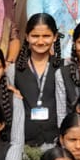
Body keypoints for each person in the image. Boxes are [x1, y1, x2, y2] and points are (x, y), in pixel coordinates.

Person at [12, 13, 64, 148]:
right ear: (27, 36)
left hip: (56, 142)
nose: (40, 42)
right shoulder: (14, 70)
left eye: (46, 36)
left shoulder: (64, 68)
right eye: (35, 36)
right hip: (23, 142)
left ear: (55, 37)